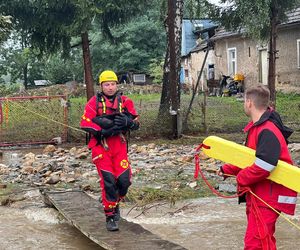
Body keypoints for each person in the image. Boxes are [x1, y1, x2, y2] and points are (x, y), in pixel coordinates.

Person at [217, 85, 297, 249]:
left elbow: (265, 165)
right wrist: (228, 170)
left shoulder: (267, 129)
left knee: (255, 243)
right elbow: (251, 158)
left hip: (268, 196)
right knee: (264, 240)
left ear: (249, 103)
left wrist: (241, 177)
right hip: (262, 194)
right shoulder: (259, 127)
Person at [80, 70, 139, 231]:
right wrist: (100, 130)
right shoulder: (94, 102)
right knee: (109, 182)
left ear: (116, 85)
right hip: (101, 146)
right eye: (107, 84)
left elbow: (136, 121)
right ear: (101, 86)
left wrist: (129, 122)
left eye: (113, 84)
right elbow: (85, 122)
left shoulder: (125, 101)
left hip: (119, 145)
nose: (110, 87)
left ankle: (115, 202)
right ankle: (110, 216)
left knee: (124, 181)